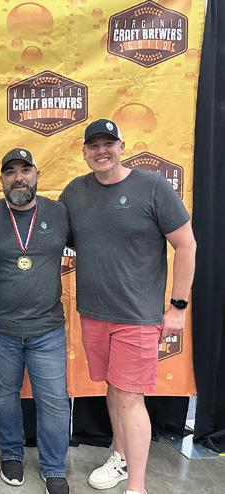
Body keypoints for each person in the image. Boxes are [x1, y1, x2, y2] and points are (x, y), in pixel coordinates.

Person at [59, 119, 196, 494]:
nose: (101, 151)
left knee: (130, 396)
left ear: (121, 147)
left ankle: (137, 486)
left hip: (137, 317)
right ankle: (120, 457)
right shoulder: (74, 192)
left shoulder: (152, 186)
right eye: (93, 146)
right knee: (115, 389)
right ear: (84, 152)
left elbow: (186, 245)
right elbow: (50, 237)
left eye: (108, 143)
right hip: (93, 314)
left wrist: (178, 306)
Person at [0, 148, 71, 494]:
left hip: (47, 329)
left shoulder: (60, 213)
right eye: (11, 172)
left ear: (36, 175)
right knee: (4, 394)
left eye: (25, 170)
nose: (19, 178)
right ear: (1, 179)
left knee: (55, 400)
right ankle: (11, 453)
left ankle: (54, 466)